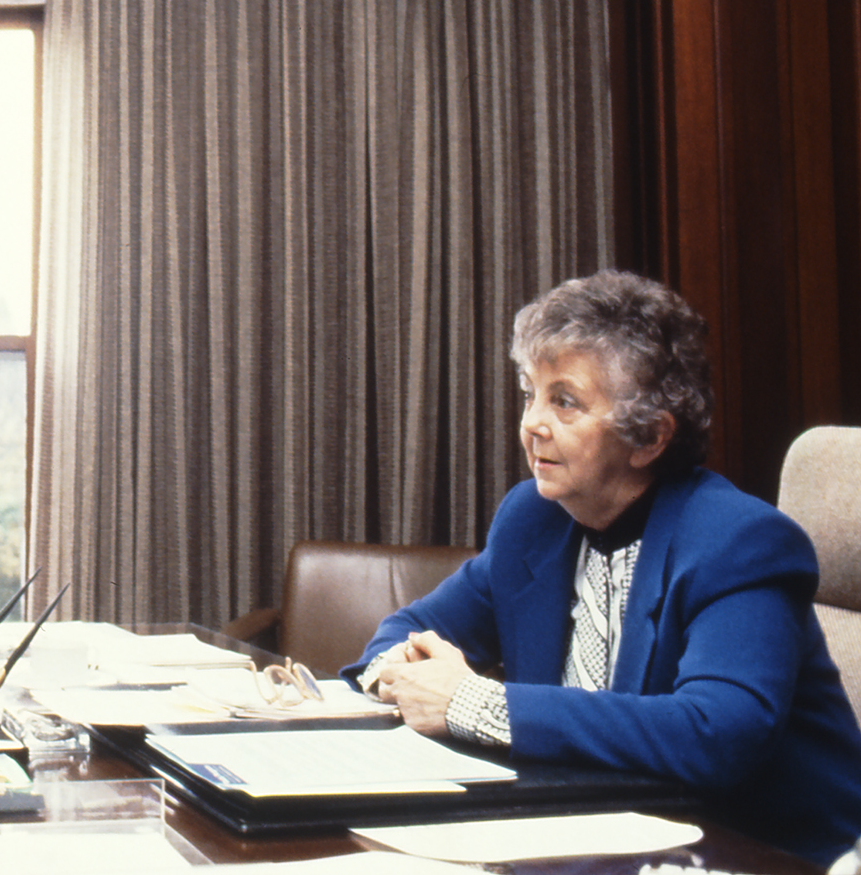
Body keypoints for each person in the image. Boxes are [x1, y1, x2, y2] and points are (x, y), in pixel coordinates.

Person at [346, 269, 861, 864]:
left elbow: (718, 733)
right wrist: (399, 671)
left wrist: (470, 704)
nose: (532, 423)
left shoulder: (739, 542)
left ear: (648, 437)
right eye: (529, 393)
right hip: (588, 839)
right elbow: (409, 628)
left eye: (564, 401)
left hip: (758, 853)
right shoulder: (532, 519)